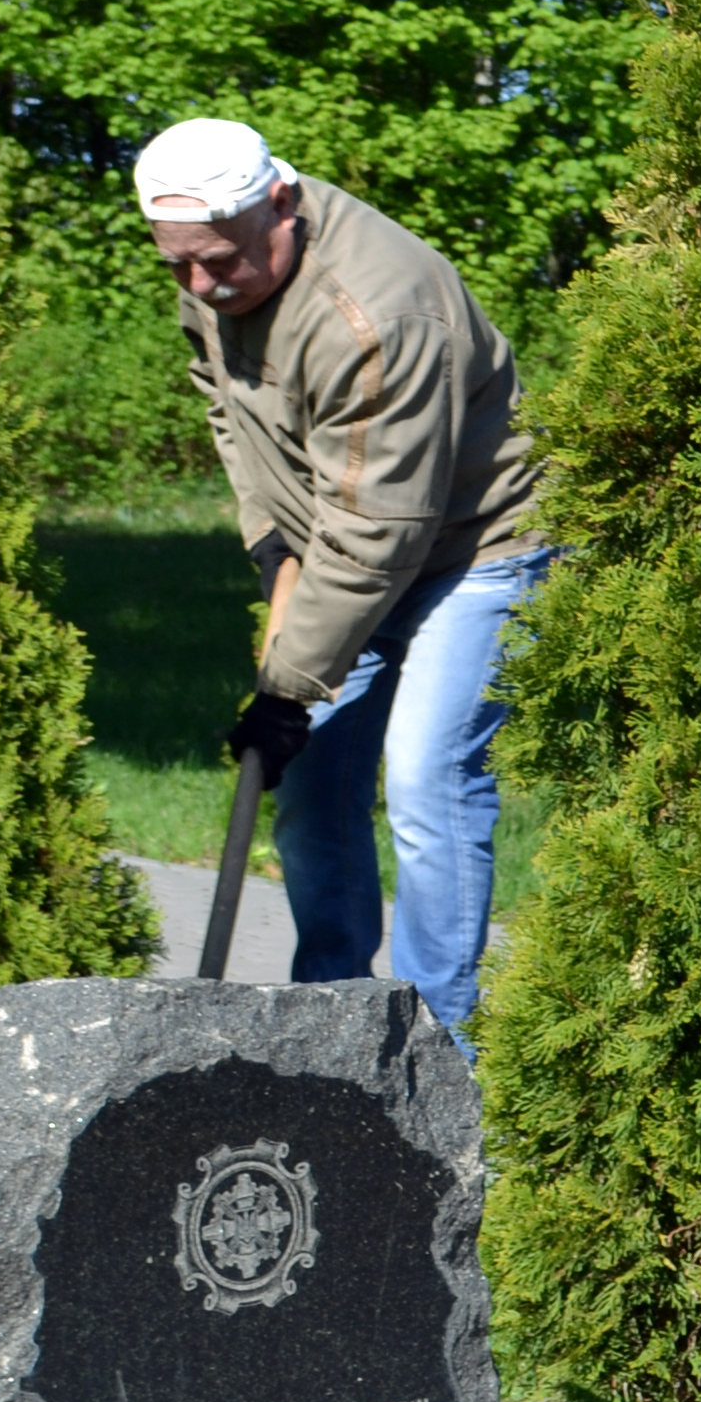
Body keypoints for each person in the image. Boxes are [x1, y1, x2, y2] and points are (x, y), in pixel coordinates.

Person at [137, 115, 546, 1035]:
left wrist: (287, 688)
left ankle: (435, 1045)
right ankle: (333, 1023)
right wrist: (270, 544)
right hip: (341, 545)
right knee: (314, 790)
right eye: (180, 266)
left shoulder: (378, 312)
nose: (202, 286)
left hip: (474, 547)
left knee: (424, 779)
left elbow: (379, 534)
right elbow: (226, 407)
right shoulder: (212, 266)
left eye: (220, 262)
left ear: (279, 203)